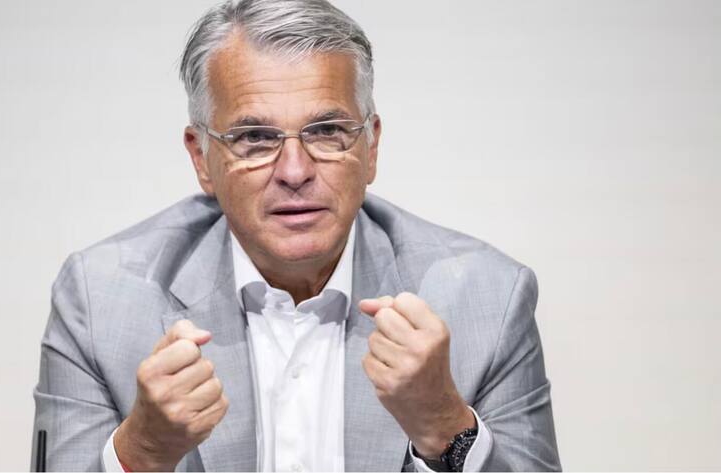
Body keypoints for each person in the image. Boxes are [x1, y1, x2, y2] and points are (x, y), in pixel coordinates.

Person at [31, 0, 561, 471]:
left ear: (371, 148)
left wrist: (446, 427)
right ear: (202, 159)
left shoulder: (487, 297)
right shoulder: (100, 301)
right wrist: (141, 454)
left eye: (327, 131)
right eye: (255, 138)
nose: (294, 171)